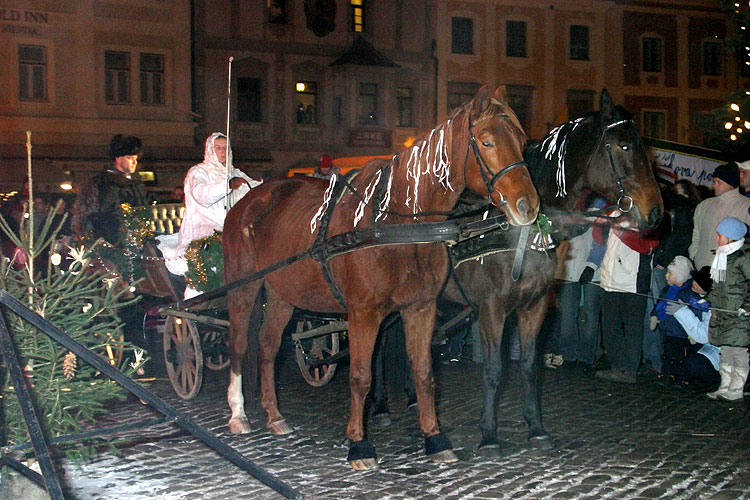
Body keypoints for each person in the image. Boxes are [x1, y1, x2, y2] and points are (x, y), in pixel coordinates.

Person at [158, 132, 262, 299]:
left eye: (225, 148)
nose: (222, 152)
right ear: (210, 150)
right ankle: (196, 298)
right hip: (204, 229)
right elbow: (201, 195)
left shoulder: (234, 172)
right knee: (212, 258)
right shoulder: (198, 172)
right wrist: (226, 185)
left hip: (232, 228)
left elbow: (252, 189)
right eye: (218, 148)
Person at [643, 180, 699, 375]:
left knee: (664, 306)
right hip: (666, 263)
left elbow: (680, 236)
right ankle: (660, 361)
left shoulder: (680, 209)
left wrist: (663, 259)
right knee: (660, 307)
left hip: (668, 265)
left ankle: (662, 361)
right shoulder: (683, 208)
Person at [549, 195, 607, 374]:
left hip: (593, 270)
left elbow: (601, 240)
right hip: (569, 268)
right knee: (568, 315)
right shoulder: (568, 207)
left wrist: (591, 265)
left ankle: (586, 358)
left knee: (589, 315)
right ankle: (569, 356)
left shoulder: (600, 207)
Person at [595, 224, 659, 383]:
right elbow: (598, 237)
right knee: (610, 326)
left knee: (632, 328)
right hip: (610, 280)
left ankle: (629, 370)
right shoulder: (615, 212)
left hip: (633, 282)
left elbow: (649, 246)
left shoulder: (645, 215)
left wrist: (622, 233)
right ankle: (617, 366)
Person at [698, 217, 750, 401]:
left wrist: (746, 307)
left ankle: (736, 389)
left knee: (738, 350)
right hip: (722, 313)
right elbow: (718, 285)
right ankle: (725, 385)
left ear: (731, 237)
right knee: (726, 350)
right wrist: (708, 299)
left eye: (720, 235)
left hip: (739, 315)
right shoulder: (722, 256)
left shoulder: (744, 257)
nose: (717, 239)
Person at [72, 134, 157, 245]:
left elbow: (143, 208)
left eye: (135, 158)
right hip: (117, 239)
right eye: (129, 158)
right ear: (118, 158)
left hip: (138, 235)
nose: (134, 162)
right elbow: (110, 213)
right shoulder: (107, 182)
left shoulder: (136, 182)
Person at [649, 256, 707, 387]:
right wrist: (655, 316)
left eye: (671, 274)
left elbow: (698, 309)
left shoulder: (689, 294)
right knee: (668, 354)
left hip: (682, 332)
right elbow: (660, 304)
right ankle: (667, 375)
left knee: (681, 356)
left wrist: (694, 332)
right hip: (668, 330)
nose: (667, 276)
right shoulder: (666, 290)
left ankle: (682, 378)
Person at [666, 266, 720, 389]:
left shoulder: (715, 306)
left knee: (694, 364)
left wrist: (681, 312)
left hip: (718, 349)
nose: (694, 283)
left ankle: (721, 381)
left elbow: (704, 335)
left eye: (698, 283)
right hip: (704, 345)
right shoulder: (695, 295)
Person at [688, 162, 750, 269]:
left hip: (731, 269)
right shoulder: (704, 205)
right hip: (703, 264)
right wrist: (694, 255)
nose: (714, 185)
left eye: (718, 182)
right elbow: (696, 234)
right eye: (714, 181)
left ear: (730, 183)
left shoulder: (746, 205)